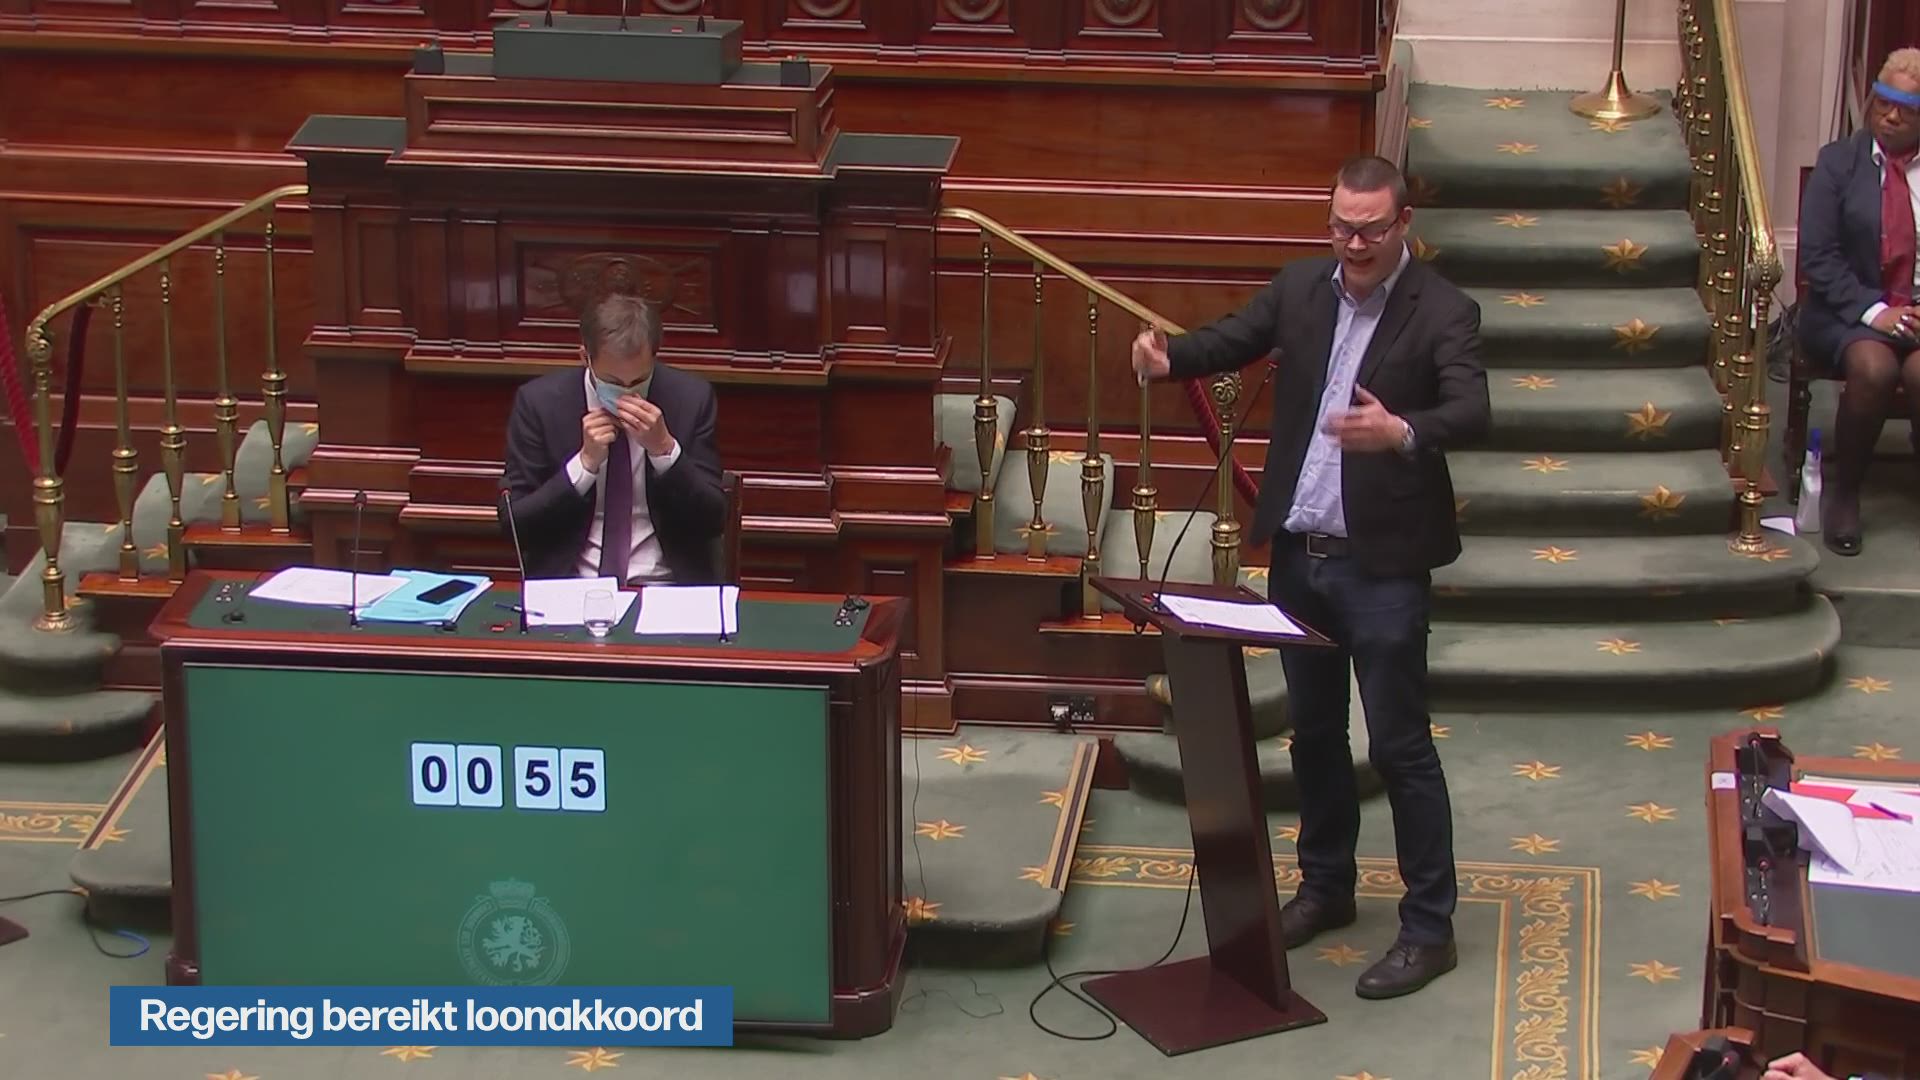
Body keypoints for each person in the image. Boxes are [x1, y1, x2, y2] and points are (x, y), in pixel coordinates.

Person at [1130, 154, 1489, 1000]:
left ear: (1403, 224)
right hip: (1301, 558)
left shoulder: (1443, 309)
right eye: (1341, 227)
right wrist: (1168, 358)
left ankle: (1429, 928)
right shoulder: (1300, 288)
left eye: (1371, 229)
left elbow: (1472, 409)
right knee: (1315, 735)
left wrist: (1402, 431)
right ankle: (1327, 886)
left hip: (1384, 567)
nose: (1354, 244)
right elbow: (1230, 339)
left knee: (1398, 746)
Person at [500, 291, 727, 584]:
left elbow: (713, 520)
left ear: (654, 357)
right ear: (585, 358)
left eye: (639, 381)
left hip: (664, 584)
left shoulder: (690, 399)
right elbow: (516, 525)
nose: (627, 393)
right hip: (572, 584)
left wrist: (665, 451)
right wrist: (583, 467)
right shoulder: (539, 404)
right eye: (613, 383)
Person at [1797, 48, 1920, 556]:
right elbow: (1818, 256)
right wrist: (1876, 312)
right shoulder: (1838, 163)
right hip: (1846, 311)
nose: (1890, 117)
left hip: (1914, 309)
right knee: (1874, 368)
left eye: (1906, 110)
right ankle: (1845, 493)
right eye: (1883, 104)